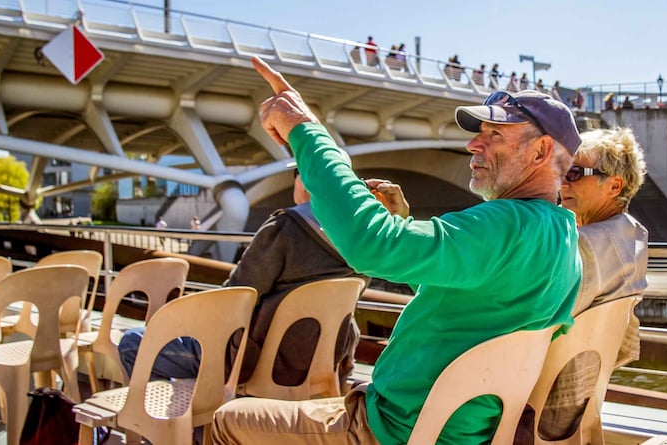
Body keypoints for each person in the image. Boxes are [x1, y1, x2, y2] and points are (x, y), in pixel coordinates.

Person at [212, 57, 583, 445]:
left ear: (541, 151)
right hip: (460, 431)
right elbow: (465, 282)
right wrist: (402, 227)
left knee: (227, 420)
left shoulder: (505, 225)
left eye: (494, 135)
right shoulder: (559, 234)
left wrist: (307, 133)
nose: (473, 143)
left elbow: (371, 244)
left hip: (393, 430)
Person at [117, 154, 396, 390]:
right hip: (325, 366)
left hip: (256, 364)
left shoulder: (285, 229)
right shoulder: (363, 242)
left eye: (297, 173)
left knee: (133, 342)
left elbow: (235, 296)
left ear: (309, 179)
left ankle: (174, 433)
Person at [516, 127, 648, 443]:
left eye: (575, 172)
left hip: (526, 414)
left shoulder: (580, 249)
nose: (562, 183)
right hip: (574, 414)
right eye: (561, 171)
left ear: (615, 185)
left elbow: (517, 310)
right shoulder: (634, 239)